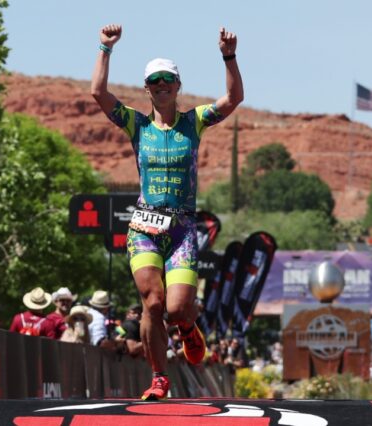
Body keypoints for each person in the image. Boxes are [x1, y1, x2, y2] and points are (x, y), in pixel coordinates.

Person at [91, 23, 243, 401]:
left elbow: (234, 97)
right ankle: (159, 377)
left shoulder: (194, 122)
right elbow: (98, 92)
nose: (161, 85)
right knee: (152, 303)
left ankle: (187, 327)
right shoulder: (136, 124)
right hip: (143, 225)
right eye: (154, 80)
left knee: (175, 309)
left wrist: (228, 55)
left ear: (178, 86)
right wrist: (105, 48)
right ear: (147, 88)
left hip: (182, 230)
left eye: (167, 80)